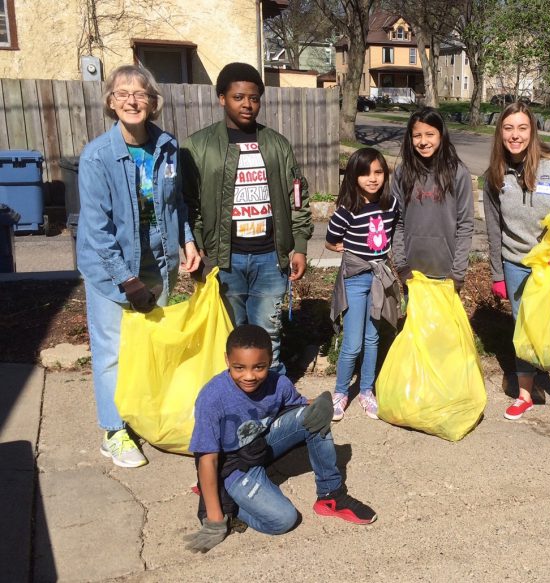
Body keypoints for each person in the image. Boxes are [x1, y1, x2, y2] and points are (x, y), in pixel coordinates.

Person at [77, 65, 200, 468]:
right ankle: (114, 431)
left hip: (157, 262)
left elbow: (175, 203)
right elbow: (97, 230)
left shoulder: (166, 146)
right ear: (111, 102)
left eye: (140, 93)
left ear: (152, 100)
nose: (132, 100)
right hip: (110, 269)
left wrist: (187, 241)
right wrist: (127, 280)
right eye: (122, 93)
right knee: (112, 352)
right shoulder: (97, 157)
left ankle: (142, 415)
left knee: (145, 346)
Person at [184, 324, 377, 553]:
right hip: (233, 467)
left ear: (270, 360)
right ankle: (222, 494)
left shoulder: (279, 383)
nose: (249, 376)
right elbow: (207, 459)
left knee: (315, 417)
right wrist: (215, 520)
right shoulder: (212, 397)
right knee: (283, 520)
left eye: (259, 367)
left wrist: (323, 401)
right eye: (239, 367)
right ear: (227, 360)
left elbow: (300, 408)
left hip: (260, 445)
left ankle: (330, 494)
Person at [181, 62, 313, 375]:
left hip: (270, 258)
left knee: (268, 335)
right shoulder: (198, 147)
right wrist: (196, 247)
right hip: (224, 260)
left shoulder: (277, 145)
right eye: (239, 97)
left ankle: (272, 400)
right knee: (230, 334)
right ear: (221, 98)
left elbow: (298, 198)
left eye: (254, 98)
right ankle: (234, 403)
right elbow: (188, 205)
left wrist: (300, 245)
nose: (247, 104)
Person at [483, 102, 550, 431]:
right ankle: (526, 395)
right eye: (509, 128)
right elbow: (494, 229)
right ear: (500, 132)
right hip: (517, 265)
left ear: (532, 131)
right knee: (523, 331)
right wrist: (498, 274)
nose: (515, 135)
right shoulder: (494, 176)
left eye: (522, 128)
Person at [325, 148, 400, 421]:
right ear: (354, 176)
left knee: (373, 338)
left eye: (378, 172)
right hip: (355, 279)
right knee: (353, 342)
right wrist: (342, 249)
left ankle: (367, 391)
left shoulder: (391, 205)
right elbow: (331, 238)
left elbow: (390, 234)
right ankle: (341, 392)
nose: (372, 178)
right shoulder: (347, 209)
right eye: (365, 173)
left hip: (379, 277)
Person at [391, 107, 474, 292]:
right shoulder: (402, 173)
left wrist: (458, 273)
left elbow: (465, 225)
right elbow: (397, 223)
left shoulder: (458, 173)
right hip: (413, 274)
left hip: (447, 274)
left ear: (441, 136)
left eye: (430, 134)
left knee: (444, 322)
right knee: (415, 322)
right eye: (417, 135)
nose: (423, 141)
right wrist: (402, 266)